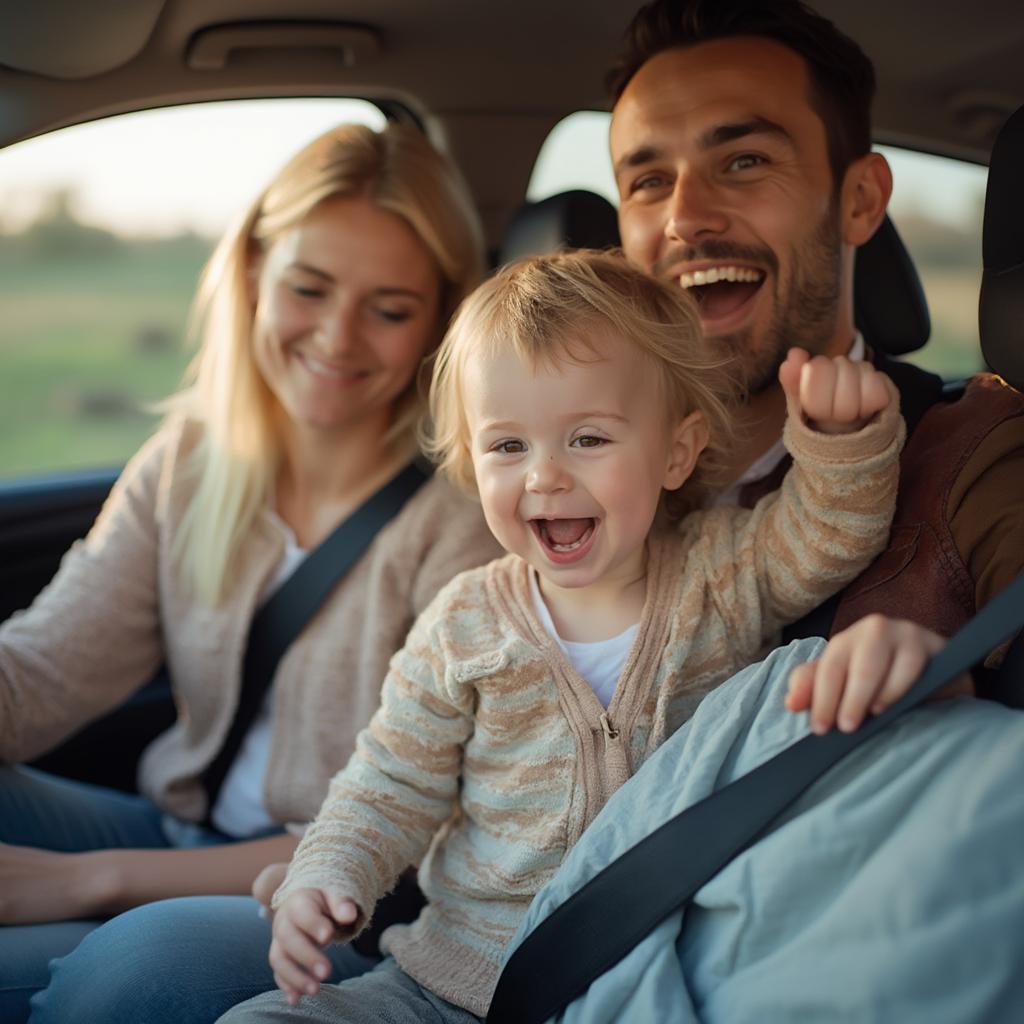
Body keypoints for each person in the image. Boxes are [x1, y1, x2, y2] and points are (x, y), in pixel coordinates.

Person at [216, 248, 906, 1023]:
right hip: (444, 982)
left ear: (675, 453)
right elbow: (386, 785)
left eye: (588, 439)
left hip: (649, 977)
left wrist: (840, 436)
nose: (544, 476)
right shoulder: (463, 624)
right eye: (508, 446)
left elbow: (830, 533)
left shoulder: (726, 570)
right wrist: (325, 876)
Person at [0, 122, 503, 1024]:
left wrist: (94, 880)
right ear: (253, 274)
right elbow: (42, 669)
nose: (337, 339)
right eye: (309, 289)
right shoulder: (192, 459)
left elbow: (421, 823)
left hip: (339, 899)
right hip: (176, 826)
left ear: (439, 319)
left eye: (389, 309)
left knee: (129, 967)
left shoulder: (464, 521)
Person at [606, 0, 1024, 663]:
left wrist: (937, 697)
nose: (684, 218)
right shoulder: (567, 478)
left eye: (743, 161)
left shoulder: (975, 459)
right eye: (650, 181)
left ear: (859, 201)